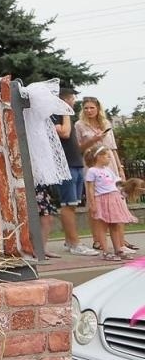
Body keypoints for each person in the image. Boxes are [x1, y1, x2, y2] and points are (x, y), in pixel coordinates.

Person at [52, 84, 99, 256]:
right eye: (71, 98)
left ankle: (69, 240)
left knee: (73, 204)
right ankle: (74, 243)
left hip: (76, 163)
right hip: (65, 166)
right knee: (68, 204)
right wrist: (64, 111)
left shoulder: (66, 116)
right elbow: (63, 133)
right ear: (64, 99)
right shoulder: (55, 116)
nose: (74, 102)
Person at [75, 96, 124, 252]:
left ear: (98, 109)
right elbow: (78, 148)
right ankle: (97, 239)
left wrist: (120, 167)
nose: (89, 111)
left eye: (92, 108)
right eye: (86, 108)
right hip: (92, 163)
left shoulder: (106, 123)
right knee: (95, 201)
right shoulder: (79, 125)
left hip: (109, 163)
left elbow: (113, 147)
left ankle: (120, 241)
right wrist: (94, 139)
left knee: (116, 199)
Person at [83, 144, 137, 260]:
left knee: (115, 225)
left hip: (113, 198)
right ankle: (106, 251)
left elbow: (117, 183)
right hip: (101, 199)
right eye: (107, 156)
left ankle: (118, 249)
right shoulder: (92, 171)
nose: (110, 158)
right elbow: (90, 188)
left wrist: (129, 185)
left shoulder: (108, 170)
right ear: (99, 157)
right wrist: (92, 203)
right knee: (102, 226)